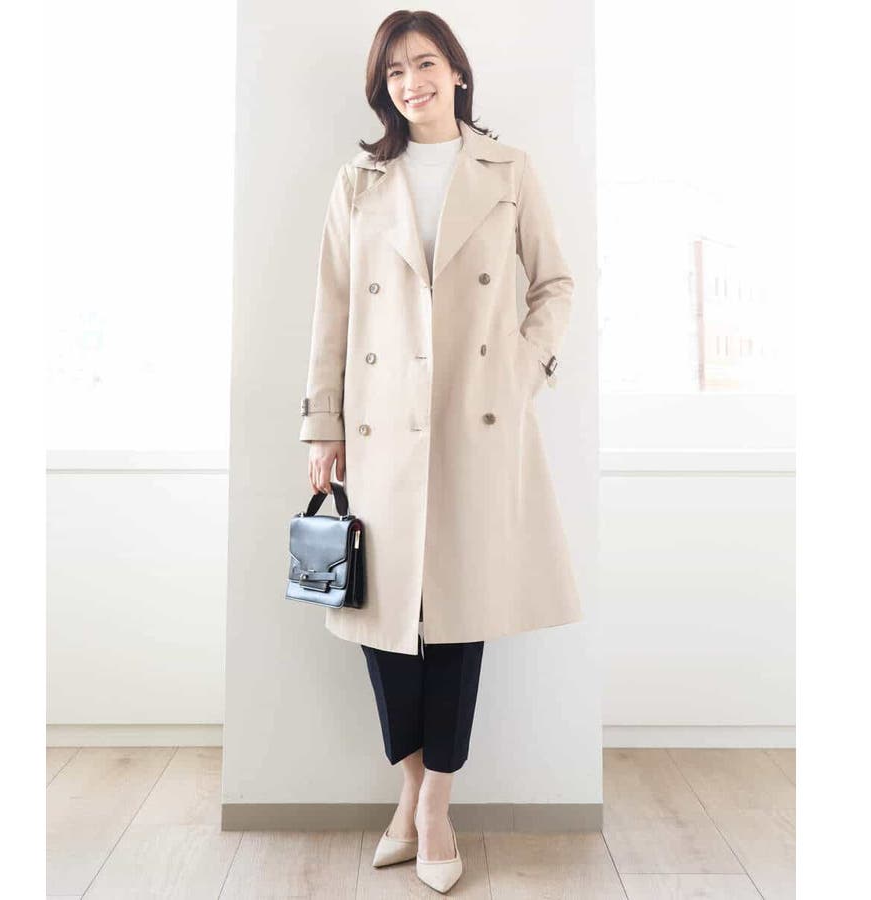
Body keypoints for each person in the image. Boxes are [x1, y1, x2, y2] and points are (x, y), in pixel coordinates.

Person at [301, 10, 580, 894]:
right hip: (380, 423)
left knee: (458, 616)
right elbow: (333, 307)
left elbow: (555, 282)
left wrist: (520, 371)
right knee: (382, 616)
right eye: (393, 72)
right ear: (381, 88)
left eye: (424, 64)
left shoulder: (507, 169)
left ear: (457, 70)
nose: (411, 82)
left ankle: (433, 809)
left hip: (476, 419)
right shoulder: (359, 179)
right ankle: (413, 789)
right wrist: (322, 425)